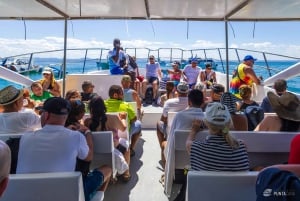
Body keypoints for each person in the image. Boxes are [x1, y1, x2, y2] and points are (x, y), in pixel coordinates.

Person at [16, 97, 112, 201]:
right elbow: (89, 157)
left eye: (41, 113)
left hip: (27, 196)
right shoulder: (76, 137)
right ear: (65, 117)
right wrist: (88, 133)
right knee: (108, 169)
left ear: (47, 115)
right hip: (66, 196)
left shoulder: (25, 137)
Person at [164, 89, 205, 197]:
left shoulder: (179, 116)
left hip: (179, 161)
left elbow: (171, 138)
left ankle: (167, 175)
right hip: (201, 160)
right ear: (203, 102)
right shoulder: (207, 118)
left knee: (165, 143)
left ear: (189, 102)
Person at [186, 102, 249, 171]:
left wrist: (194, 130)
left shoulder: (197, 149)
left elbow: (188, 143)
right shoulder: (241, 146)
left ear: (206, 123)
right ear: (229, 122)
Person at [84, 96, 130, 182]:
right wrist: (123, 119)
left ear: (91, 109)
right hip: (114, 148)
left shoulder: (87, 122)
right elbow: (123, 128)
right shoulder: (113, 118)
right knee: (126, 147)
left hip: (95, 150)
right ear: (104, 107)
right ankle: (126, 173)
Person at [156, 82, 189, 166]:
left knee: (158, 124)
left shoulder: (169, 102)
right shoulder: (192, 102)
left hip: (171, 130)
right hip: (188, 130)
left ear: (177, 90)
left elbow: (163, 120)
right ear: (187, 91)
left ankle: (164, 149)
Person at [104, 85, 142, 157]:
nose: (123, 95)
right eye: (122, 93)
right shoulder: (125, 105)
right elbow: (134, 118)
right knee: (138, 125)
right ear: (115, 95)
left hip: (106, 132)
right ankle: (131, 149)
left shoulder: (103, 104)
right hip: (123, 132)